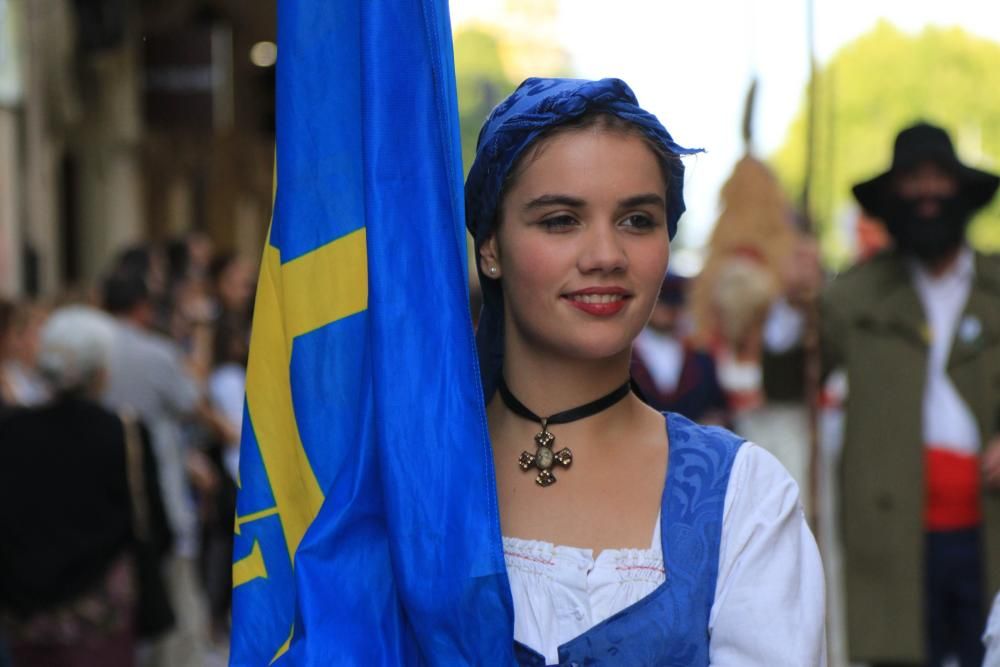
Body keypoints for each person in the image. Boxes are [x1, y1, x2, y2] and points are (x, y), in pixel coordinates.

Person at [465, 77, 825, 665]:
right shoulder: (407, 478)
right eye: (560, 219)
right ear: (490, 248)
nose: (606, 255)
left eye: (637, 220)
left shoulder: (743, 497)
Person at [815, 122, 1000, 666]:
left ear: (961, 190)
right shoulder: (851, 295)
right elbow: (787, 380)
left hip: (988, 529)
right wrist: (787, 299)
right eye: (912, 181)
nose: (926, 195)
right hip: (894, 533)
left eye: (938, 179)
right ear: (891, 200)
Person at [0, 306, 170, 667]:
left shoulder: (11, 431)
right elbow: (156, 525)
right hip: (103, 620)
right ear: (101, 372)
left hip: (25, 620)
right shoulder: (123, 433)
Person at [630, 273, 728, 424]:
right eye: (661, 303)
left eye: (673, 304)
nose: (667, 311)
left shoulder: (701, 358)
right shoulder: (624, 357)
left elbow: (716, 408)